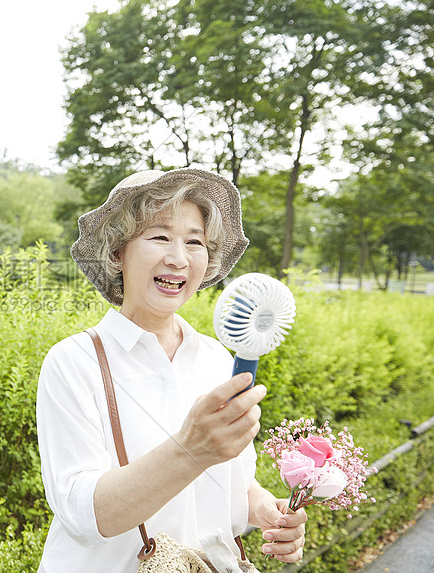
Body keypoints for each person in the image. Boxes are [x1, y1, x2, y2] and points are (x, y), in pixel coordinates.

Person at [36, 169, 307, 572]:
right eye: (160, 237)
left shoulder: (219, 359)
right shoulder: (74, 361)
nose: (178, 258)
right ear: (117, 252)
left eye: (194, 242)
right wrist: (189, 449)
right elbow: (85, 514)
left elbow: (229, 480)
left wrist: (266, 509)